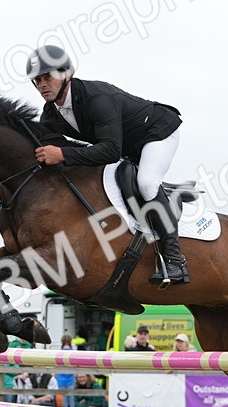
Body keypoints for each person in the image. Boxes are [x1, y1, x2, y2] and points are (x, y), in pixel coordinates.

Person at [27, 44, 189, 285]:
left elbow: (111, 151)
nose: (42, 85)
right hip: (127, 146)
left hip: (156, 132)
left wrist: (62, 154)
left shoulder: (98, 99)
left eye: (47, 77)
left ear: (66, 74)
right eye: (37, 80)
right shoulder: (50, 114)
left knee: (146, 183)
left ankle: (175, 261)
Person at [55, 334, 77, 407]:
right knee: (71, 398)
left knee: (63, 399)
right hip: (70, 378)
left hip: (60, 378)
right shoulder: (73, 353)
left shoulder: (59, 353)